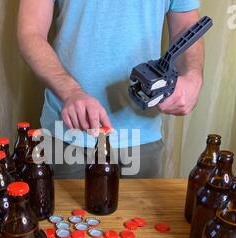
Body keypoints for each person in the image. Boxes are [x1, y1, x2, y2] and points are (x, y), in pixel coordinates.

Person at [17, 0, 204, 178]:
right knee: (64, 213)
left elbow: (186, 27)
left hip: (142, 135)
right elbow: (31, 32)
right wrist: (70, 92)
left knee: (141, 212)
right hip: (69, 133)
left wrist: (193, 76)